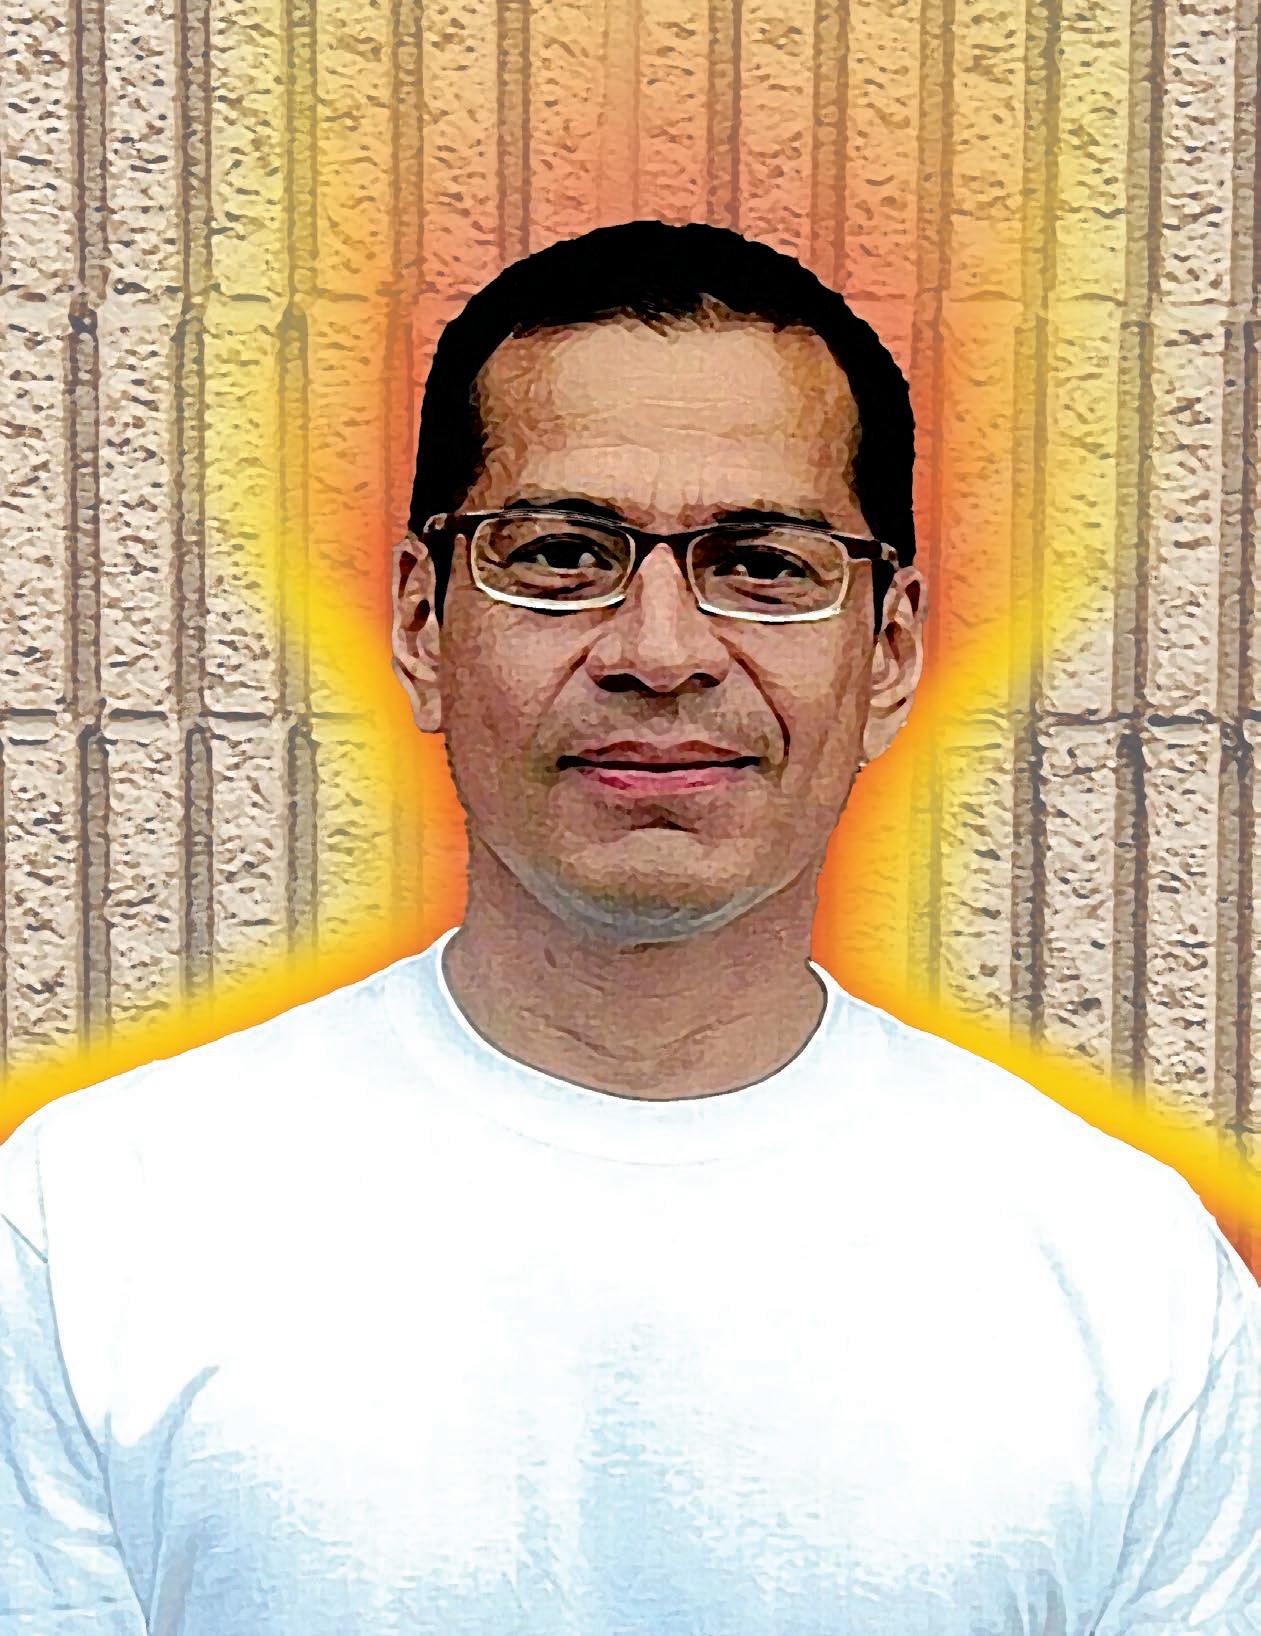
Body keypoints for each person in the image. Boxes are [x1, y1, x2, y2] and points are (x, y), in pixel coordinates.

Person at [1, 221, 1257, 1636]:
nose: (660, 652)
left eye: (763, 564)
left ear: (891, 649)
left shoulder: (1129, 1272)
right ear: (421, 623)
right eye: (559, 554)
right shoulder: (87, 1225)